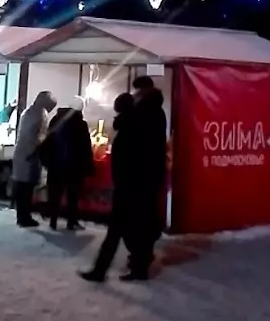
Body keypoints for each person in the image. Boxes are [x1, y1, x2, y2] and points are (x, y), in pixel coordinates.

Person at [80, 76, 167, 283]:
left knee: (122, 227)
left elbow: (133, 151)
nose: (135, 94)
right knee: (133, 226)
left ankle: (107, 269)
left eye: (137, 91)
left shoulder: (140, 116)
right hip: (140, 181)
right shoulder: (152, 113)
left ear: (142, 92)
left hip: (133, 182)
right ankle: (133, 266)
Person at [44, 95, 94, 231]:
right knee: (72, 196)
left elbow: (47, 141)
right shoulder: (80, 124)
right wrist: (88, 168)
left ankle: (53, 221)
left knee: (55, 194)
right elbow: (85, 148)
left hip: (55, 164)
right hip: (74, 167)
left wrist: (46, 160)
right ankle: (71, 222)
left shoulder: (55, 119)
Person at [12, 90, 56, 228]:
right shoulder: (42, 113)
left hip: (20, 152)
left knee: (21, 187)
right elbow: (41, 138)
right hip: (30, 155)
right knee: (27, 189)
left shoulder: (27, 111)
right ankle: (25, 217)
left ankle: (21, 216)